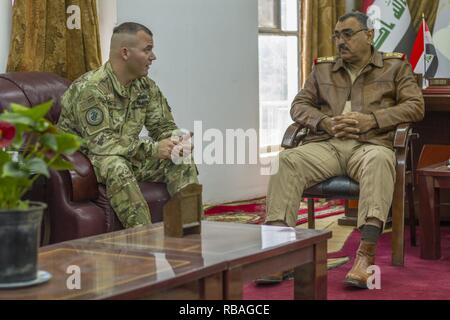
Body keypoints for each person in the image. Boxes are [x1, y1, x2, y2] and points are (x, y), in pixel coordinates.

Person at [257, 11, 424, 288]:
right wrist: (325, 122)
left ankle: (364, 256)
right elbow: (299, 106)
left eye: (347, 34)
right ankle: (280, 255)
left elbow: (415, 106)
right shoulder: (323, 69)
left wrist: (372, 120)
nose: (340, 41)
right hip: (327, 145)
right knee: (286, 160)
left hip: (370, 145)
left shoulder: (395, 67)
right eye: (336, 35)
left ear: (369, 36)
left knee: (381, 161)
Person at [57, 22, 200, 229]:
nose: (153, 57)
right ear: (125, 52)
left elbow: (161, 126)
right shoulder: (90, 89)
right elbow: (102, 145)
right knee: (117, 166)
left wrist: (175, 140)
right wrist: (154, 149)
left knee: (181, 158)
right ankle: (144, 239)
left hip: (127, 154)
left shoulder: (145, 87)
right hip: (88, 160)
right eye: (147, 50)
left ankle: (191, 231)